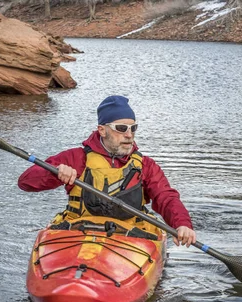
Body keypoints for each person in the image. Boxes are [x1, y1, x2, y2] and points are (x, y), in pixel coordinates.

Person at [18, 95, 196, 247]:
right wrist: (55, 173)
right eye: (121, 128)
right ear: (102, 130)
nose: (129, 134)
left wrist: (182, 224)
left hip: (131, 234)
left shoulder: (145, 165)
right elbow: (25, 182)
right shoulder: (76, 158)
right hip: (78, 233)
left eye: (133, 128)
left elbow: (166, 197)